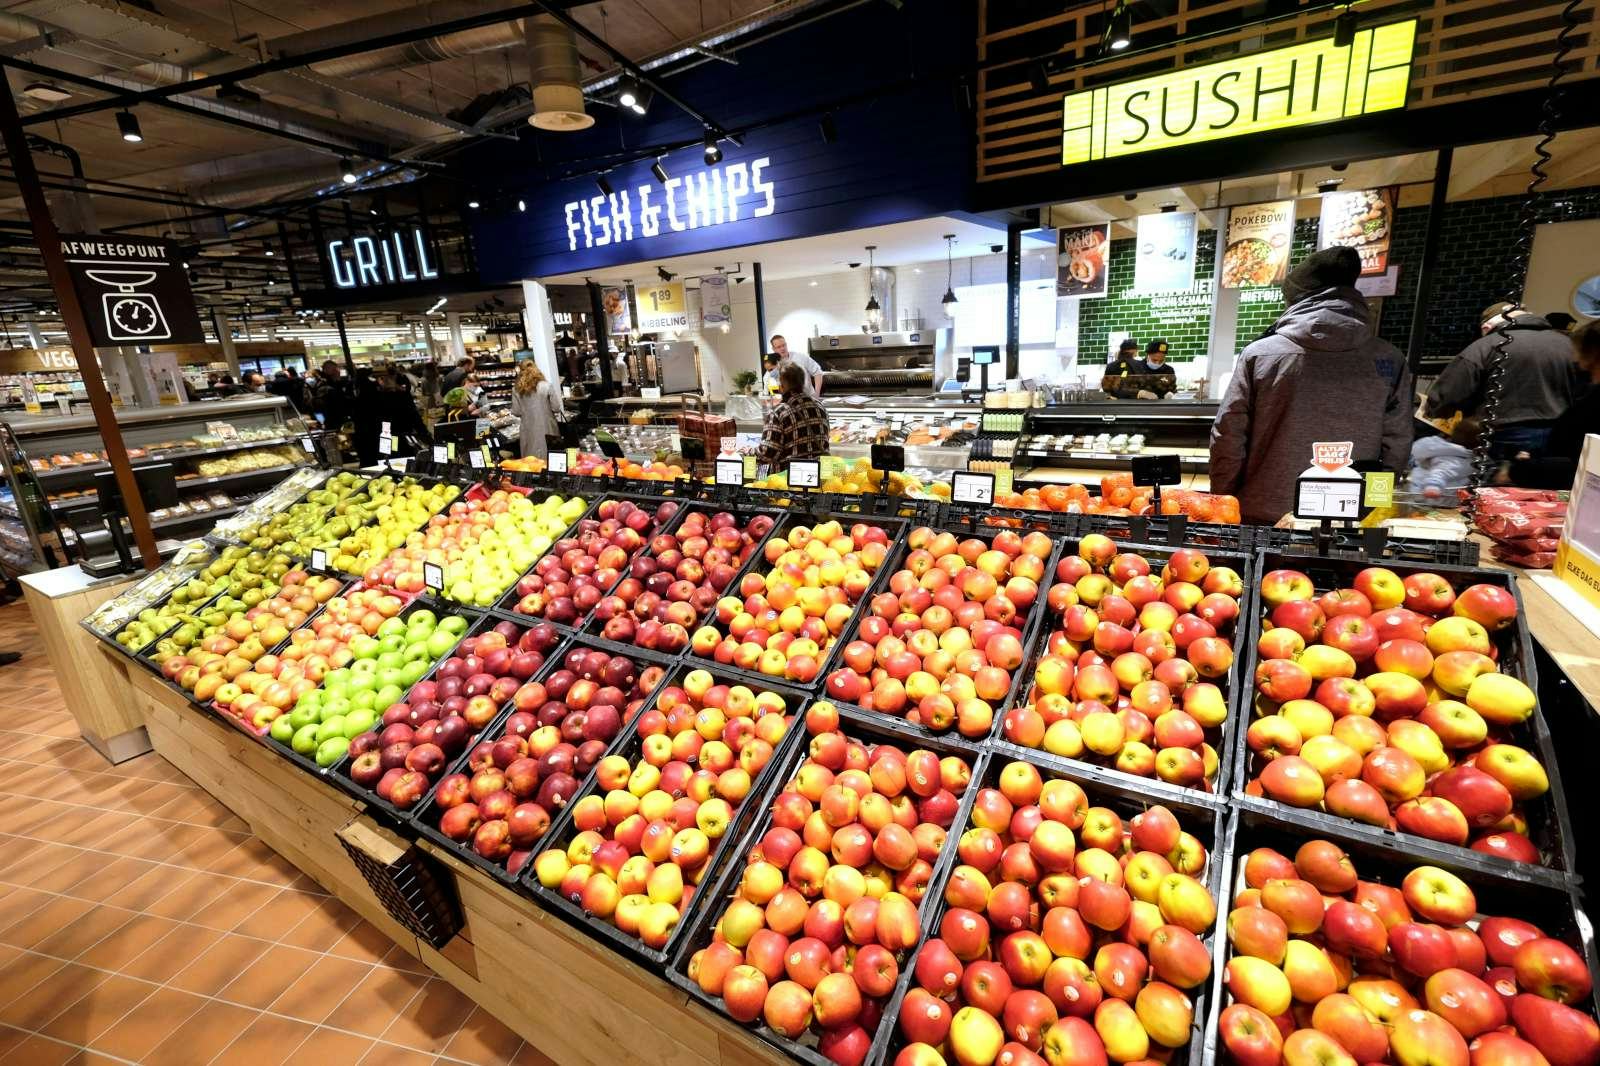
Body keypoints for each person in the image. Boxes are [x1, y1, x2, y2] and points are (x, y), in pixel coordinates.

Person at [1210, 246, 1413, 525]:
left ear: (1296, 299)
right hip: (1350, 516)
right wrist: (1373, 507)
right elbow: (1397, 444)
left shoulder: (1260, 355)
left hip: (1263, 514)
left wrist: (1223, 499)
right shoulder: (1389, 359)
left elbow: (1228, 437)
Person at [1424, 303, 1581, 461]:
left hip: (1503, 437)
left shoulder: (1485, 346)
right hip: (1559, 435)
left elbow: (1447, 394)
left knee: (1496, 484)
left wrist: (1434, 411)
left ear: (1486, 327)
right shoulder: (1570, 346)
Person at [1508, 320, 1600, 489]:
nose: (1578, 361)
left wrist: (1524, 469)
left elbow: (1586, 464)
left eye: (1580, 352)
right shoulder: (1592, 390)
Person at [757, 362, 830, 470]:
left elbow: (767, 454)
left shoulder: (779, 412)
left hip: (791, 479)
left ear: (782, 385)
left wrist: (746, 452)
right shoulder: (820, 407)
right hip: (820, 475)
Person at [512, 361, 561, 461]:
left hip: (528, 429)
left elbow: (516, 411)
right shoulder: (546, 386)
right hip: (548, 427)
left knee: (531, 461)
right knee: (551, 458)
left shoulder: (516, 389)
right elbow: (556, 408)